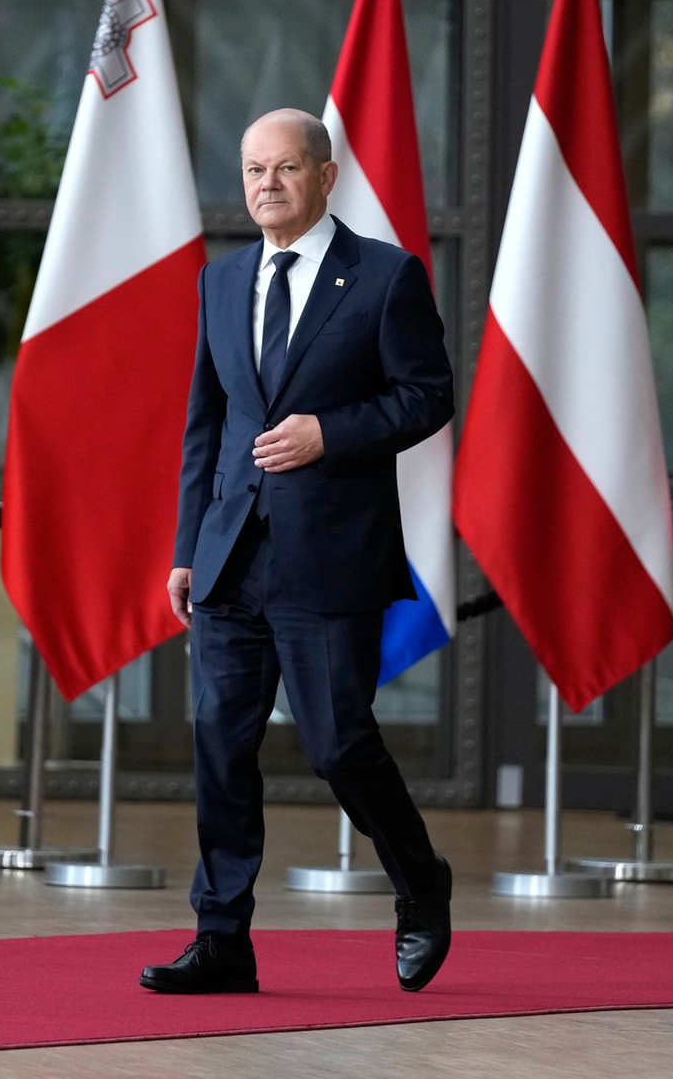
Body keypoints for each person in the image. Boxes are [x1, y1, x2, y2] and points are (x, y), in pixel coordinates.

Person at [140, 108, 454, 996]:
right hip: (232, 554)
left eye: (283, 169)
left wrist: (331, 433)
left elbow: (429, 396)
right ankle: (222, 938)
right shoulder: (220, 279)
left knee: (337, 744)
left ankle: (421, 881)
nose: (265, 185)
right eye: (251, 170)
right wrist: (187, 547)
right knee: (218, 741)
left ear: (325, 176)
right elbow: (206, 424)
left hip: (331, 557)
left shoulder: (387, 278)